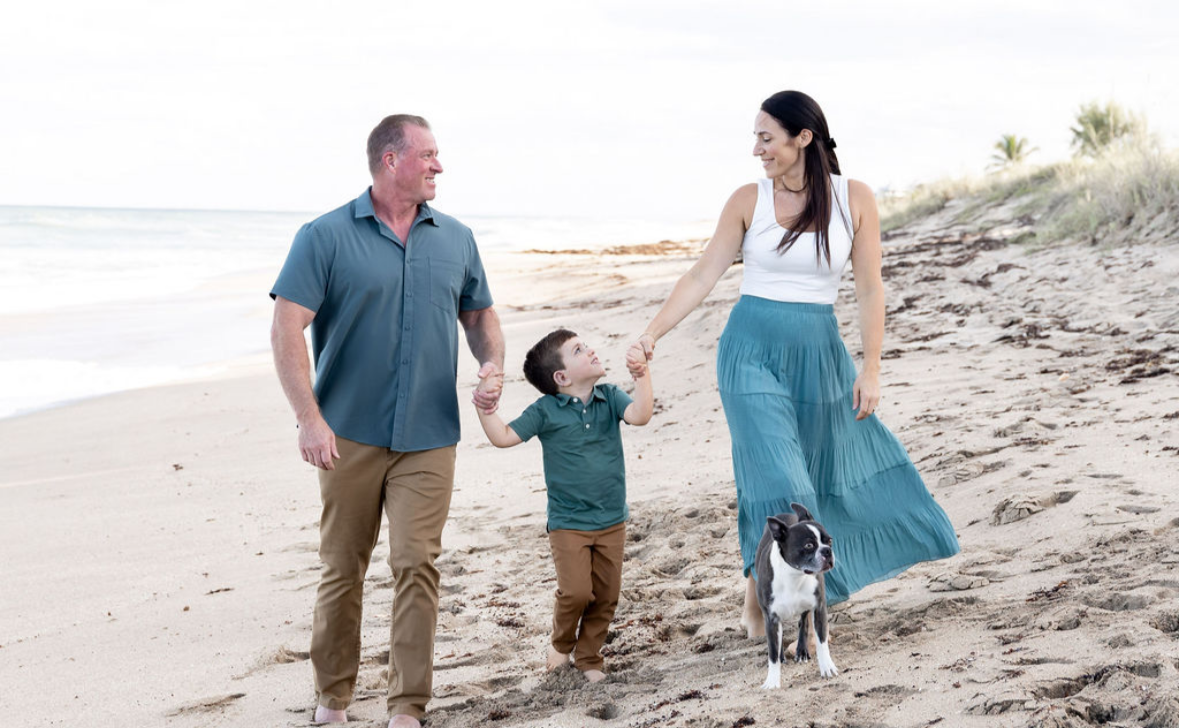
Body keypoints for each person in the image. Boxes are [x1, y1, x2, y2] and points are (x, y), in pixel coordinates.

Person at [626, 90, 958, 634]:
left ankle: (763, 593)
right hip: (749, 354)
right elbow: (702, 274)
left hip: (819, 358)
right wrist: (651, 333)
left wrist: (872, 367)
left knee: (818, 478)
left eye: (767, 138)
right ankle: (770, 599)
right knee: (781, 480)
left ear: (803, 137)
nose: (757, 149)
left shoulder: (854, 199)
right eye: (755, 138)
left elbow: (870, 288)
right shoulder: (747, 200)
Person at [270, 114, 505, 728]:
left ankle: (407, 707)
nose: (438, 165)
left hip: (429, 435)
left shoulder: (456, 238)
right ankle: (333, 699)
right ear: (391, 160)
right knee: (342, 568)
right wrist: (308, 419)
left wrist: (492, 364)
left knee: (417, 564)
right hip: (345, 434)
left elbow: (479, 316)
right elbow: (286, 326)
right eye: (427, 155)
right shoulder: (323, 236)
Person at [474, 328, 654, 681]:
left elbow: (641, 414)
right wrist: (485, 408)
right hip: (568, 523)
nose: (591, 350)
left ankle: (589, 658)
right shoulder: (546, 411)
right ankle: (561, 644)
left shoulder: (610, 397)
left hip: (612, 520)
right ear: (561, 377)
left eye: (586, 345)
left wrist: (642, 375)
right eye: (578, 350)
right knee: (576, 592)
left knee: (606, 596)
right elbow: (503, 436)